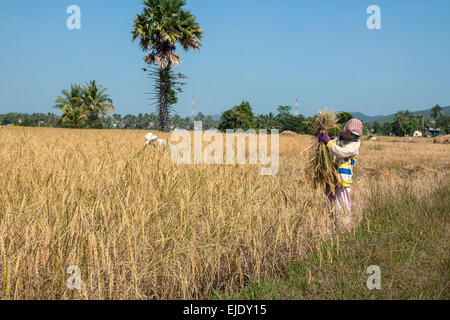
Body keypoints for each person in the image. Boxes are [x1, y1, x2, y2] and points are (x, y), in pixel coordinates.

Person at [319, 119, 363, 229]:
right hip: (332, 176)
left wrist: (328, 142)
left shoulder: (355, 144)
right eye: (351, 134)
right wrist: (323, 138)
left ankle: (344, 230)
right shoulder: (341, 139)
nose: (353, 136)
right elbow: (332, 147)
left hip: (343, 179)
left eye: (355, 135)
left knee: (342, 205)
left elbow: (340, 151)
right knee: (330, 202)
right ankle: (332, 226)